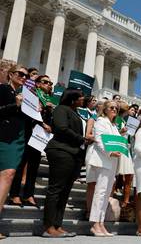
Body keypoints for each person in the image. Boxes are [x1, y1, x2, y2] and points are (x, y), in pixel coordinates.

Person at [42, 88, 94, 238]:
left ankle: (57, 225)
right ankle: (49, 226)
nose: (83, 99)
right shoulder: (61, 109)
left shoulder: (75, 112)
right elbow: (61, 128)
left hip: (73, 154)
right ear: (72, 99)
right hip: (61, 151)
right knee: (56, 189)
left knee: (64, 192)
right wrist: (82, 139)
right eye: (81, 97)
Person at [9, 75, 54, 209]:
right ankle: (14, 193)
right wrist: (39, 121)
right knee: (22, 163)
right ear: (38, 84)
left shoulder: (49, 100)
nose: (49, 85)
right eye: (45, 82)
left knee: (34, 166)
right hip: (28, 131)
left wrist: (49, 123)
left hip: (40, 135)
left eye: (50, 83)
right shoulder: (31, 94)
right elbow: (26, 112)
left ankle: (29, 194)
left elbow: (48, 118)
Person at [0, 64, 28, 240]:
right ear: (10, 75)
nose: (24, 77)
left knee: (9, 174)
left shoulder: (25, 95)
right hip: (3, 135)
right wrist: (14, 105)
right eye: (20, 74)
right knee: (7, 174)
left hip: (17, 138)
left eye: (26, 76)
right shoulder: (2, 89)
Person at [86, 100, 121, 237]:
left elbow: (118, 142)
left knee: (106, 194)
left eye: (116, 108)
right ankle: (95, 223)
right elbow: (99, 140)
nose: (114, 110)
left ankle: (101, 223)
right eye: (111, 107)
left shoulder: (114, 125)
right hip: (102, 160)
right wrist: (110, 152)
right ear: (105, 109)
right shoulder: (100, 121)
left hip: (112, 162)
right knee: (100, 193)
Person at [115, 101, 134, 207]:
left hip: (125, 148)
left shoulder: (122, 120)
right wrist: (120, 131)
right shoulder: (117, 119)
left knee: (128, 175)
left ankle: (126, 201)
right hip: (119, 147)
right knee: (116, 174)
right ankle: (113, 196)